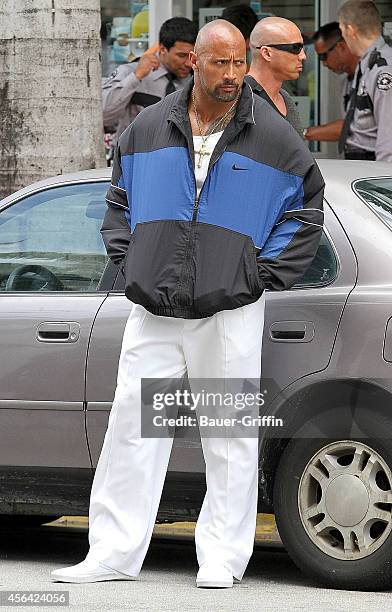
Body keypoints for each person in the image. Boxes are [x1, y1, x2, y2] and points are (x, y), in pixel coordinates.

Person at [51, 20, 324, 589]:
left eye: (238, 64)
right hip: (154, 308)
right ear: (193, 63)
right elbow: (119, 203)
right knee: (132, 428)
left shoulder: (274, 136)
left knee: (227, 436)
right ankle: (111, 554)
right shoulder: (147, 128)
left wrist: (256, 275)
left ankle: (222, 559)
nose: (230, 76)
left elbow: (304, 214)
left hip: (229, 311)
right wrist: (132, 265)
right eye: (219, 64)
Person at [102, 17, 198, 144]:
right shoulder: (130, 72)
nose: (188, 63)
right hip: (134, 154)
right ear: (163, 49)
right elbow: (103, 116)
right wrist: (136, 77)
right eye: (181, 55)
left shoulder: (195, 79)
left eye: (191, 56)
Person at [338, 0, 392, 161]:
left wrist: (384, 179)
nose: (342, 37)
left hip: (373, 165)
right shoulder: (367, 63)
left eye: (341, 30)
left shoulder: (384, 69)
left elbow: (388, 135)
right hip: (359, 162)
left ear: (350, 30)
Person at [245, 16, 305, 137]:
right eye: (296, 48)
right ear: (267, 53)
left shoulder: (285, 97)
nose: (303, 56)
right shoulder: (241, 96)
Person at [303, 22, 359, 143]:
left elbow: (356, 127)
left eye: (323, 56)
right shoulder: (347, 80)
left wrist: (302, 133)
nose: (324, 64)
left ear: (341, 47)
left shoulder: (375, 74)